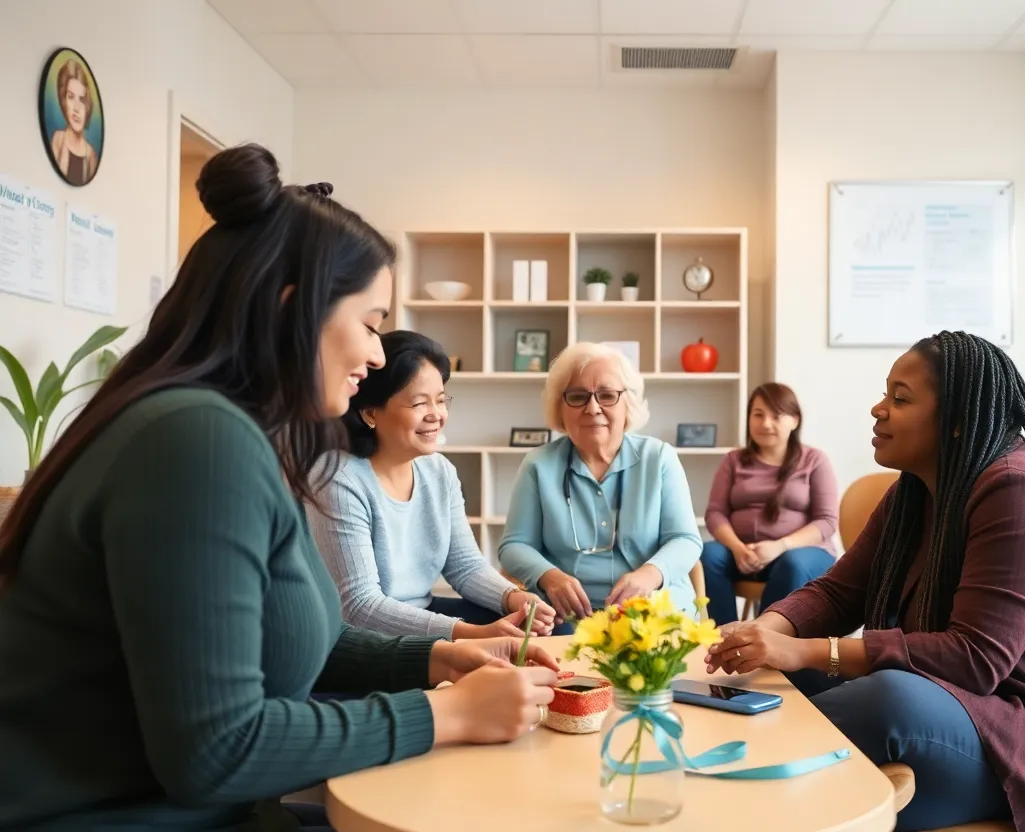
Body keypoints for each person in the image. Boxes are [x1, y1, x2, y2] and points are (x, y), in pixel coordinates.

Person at [0, 144, 558, 832]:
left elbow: (281, 636)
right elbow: (216, 750)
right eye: (371, 321)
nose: (379, 354)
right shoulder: (196, 443)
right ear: (293, 306)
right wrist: (446, 713)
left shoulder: (225, 435)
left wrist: (435, 656)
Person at [705, 331, 1025, 832]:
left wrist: (811, 652)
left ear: (956, 422)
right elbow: (840, 591)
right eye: (886, 394)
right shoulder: (917, 490)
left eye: (900, 399)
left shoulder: (1020, 491)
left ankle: (729, 791)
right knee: (771, 672)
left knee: (886, 698)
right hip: (959, 704)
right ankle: (749, 785)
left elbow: (975, 658)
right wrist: (764, 633)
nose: (878, 409)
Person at [307, 329, 557, 640]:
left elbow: (465, 566)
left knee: (552, 629)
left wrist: (513, 597)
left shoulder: (439, 471)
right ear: (371, 412)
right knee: (503, 648)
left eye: (440, 400)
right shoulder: (337, 478)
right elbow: (360, 607)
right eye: (419, 404)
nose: (436, 415)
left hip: (421, 615)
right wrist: (468, 636)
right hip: (357, 638)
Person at [498, 342, 702, 631]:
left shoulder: (659, 458)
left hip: (653, 609)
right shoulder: (538, 465)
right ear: (560, 405)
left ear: (627, 403)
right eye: (577, 396)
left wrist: (648, 575)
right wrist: (549, 576)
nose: (592, 408)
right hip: (568, 616)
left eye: (607, 395)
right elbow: (514, 546)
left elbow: (685, 539)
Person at [700, 382, 840, 624]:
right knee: (708, 554)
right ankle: (724, 641)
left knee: (792, 563)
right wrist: (737, 548)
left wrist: (780, 546)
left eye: (776, 415)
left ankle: (768, 644)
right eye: (758, 414)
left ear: (795, 420)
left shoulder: (814, 460)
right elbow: (715, 513)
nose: (765, 423)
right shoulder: (733, 460)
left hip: (799, 553)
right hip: (743, 553)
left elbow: (826, 522)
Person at [49, 58, 100, 186]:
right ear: (64, 101)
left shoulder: (91, 155)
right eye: (71, 97)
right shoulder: (58, 139)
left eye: (82, 99)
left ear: (87, 105)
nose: (76, 108)